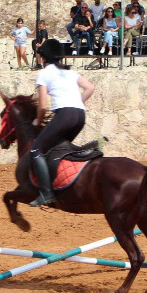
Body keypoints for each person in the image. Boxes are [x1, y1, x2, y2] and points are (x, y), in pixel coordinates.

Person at [29, 38, 95, 206]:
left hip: (65, 115)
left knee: (36, 150)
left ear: (43, 58)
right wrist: (76, 103)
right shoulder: (70, 72)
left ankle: (46, 193)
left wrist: (37, 121)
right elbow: (90, 88)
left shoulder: (43, 73)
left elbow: (43, 106)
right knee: (59, 146)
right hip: (80, 115)